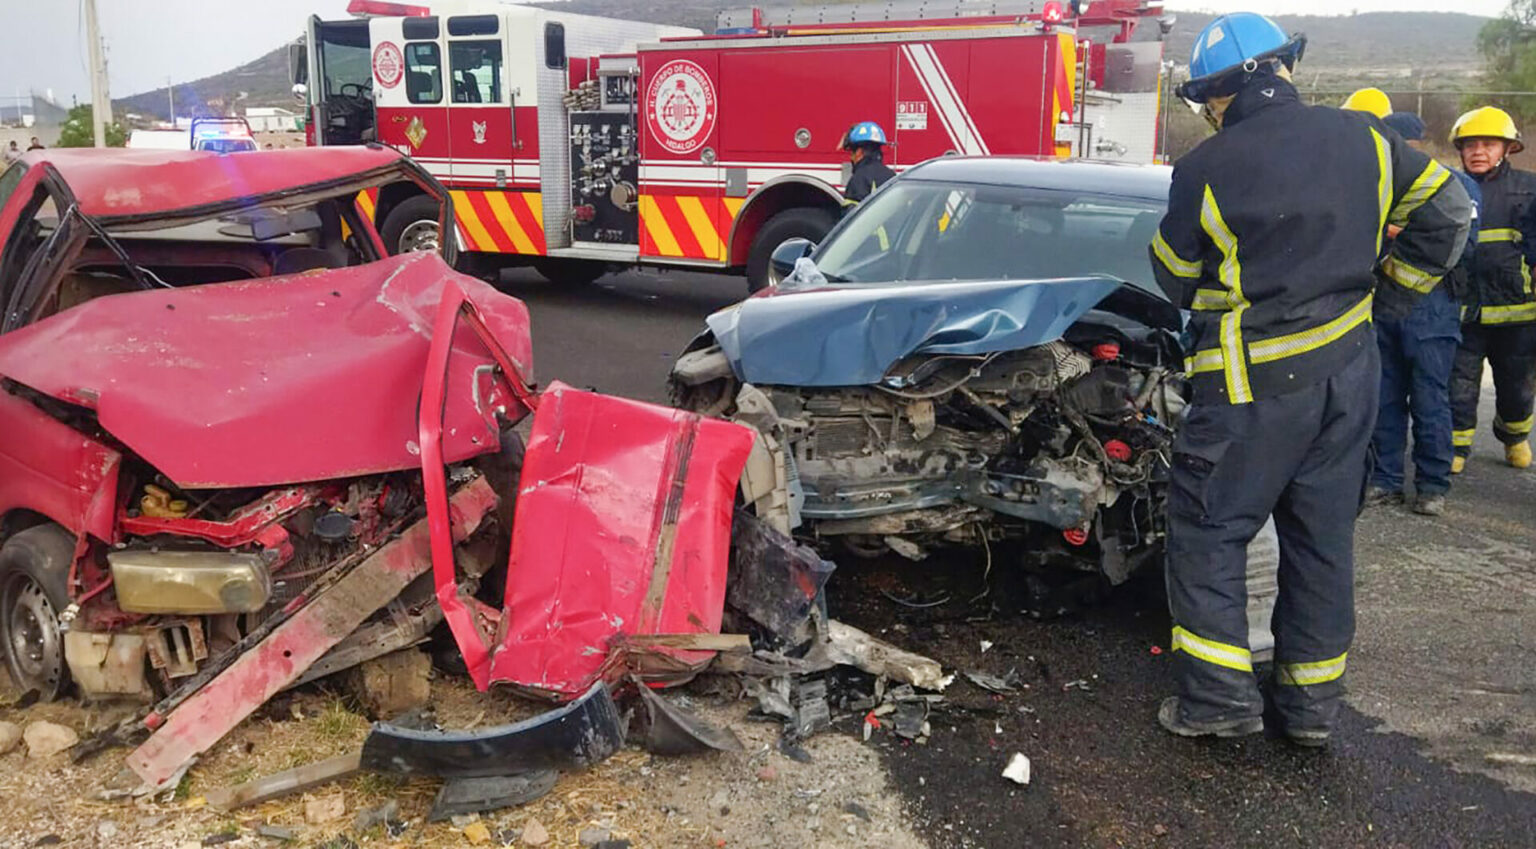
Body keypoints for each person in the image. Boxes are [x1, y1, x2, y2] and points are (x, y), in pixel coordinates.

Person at [1149, 12, 1470, 746]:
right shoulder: (1370, 140)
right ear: (1285, 68)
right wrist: (1386, 293)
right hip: (1349, 377)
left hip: (1249, 391)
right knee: (1323, 543)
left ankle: (1220, 702)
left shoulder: (1205, 168)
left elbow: (1171, 275)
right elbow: (1451, 216)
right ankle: (1309, 711)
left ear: (1219, 95)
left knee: (1208, 531)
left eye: (1207, 103)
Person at [1363, 112, 1479, 515]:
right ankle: (1386, 480)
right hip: (1384, 306)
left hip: (1432, 307)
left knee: (1430, 398)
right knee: (1385, 397)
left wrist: (1398, 234)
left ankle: (1432, 485)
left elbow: (1466, 245)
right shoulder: (1375, 185)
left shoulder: (1455, 185)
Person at [1448, 106, 1536, 471]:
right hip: (1464, 310)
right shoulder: (1450, 188)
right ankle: (1454, 448)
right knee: (1459, 386)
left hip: (1518, 313)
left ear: (1507, 149)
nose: (1478, 151)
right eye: (1470, 145)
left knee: (1517, 387)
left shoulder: (1530, 188)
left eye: (1488, 144)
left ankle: (1514, 437)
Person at [839, 121, 895, 206]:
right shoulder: (892, 176)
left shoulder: (859, 179)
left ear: (859, 152)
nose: (851, 158)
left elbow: (852, 215)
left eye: (852, 153)